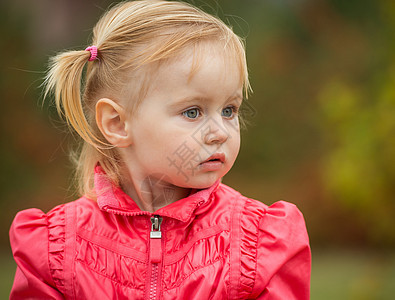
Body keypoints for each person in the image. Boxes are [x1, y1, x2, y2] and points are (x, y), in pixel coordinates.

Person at [9, 0, 311, 299]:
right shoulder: (57, 250)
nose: (220, 132)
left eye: (229, 110)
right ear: (116, 123)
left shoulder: (258, 242)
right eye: (193, 112)